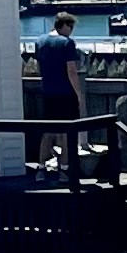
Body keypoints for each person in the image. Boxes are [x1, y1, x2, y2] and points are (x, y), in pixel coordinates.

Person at [30, 10, 85, 164]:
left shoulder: (40, 41)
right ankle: (66, 168)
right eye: (71, 27)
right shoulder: (67, 43)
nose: (71, 31)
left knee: (47, 131)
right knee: (68, 133)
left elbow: (39, 67)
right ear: (64, 26)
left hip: (48, 92)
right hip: (66, 93)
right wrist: (79, 95)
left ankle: (41, 166)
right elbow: (71, 72)